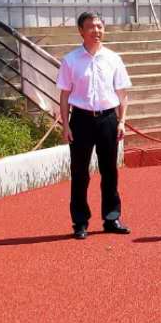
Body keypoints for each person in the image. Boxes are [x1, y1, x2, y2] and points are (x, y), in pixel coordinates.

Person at [57, 12, 133, 240]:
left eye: (99, 26)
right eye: (90, 27)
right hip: (81, 120)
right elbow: (64, 95)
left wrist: (122, 121)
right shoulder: (70, 60)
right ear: (81, 31)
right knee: (80, 172)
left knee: (109, 171)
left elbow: (122, 93)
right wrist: (65, 125)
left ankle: (112, 218)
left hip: (108, 119)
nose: (96, 31)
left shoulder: (113, 59)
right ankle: (80, 221)